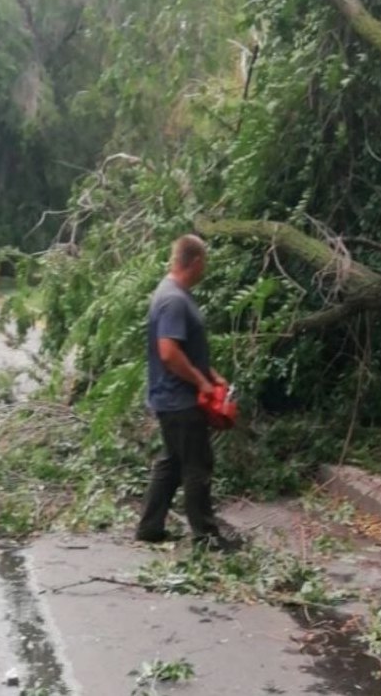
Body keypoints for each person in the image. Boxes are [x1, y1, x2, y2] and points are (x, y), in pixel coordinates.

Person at [135, 234, 236, 550]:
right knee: (197, 464)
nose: (205, 269)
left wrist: (213, 376)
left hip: (173, 396)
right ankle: (206, 536)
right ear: (194, 262)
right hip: (180, 399)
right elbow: (169, 352)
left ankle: (150, 527)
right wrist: (201, 383)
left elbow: (186, 350)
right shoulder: (174, 300)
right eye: (204, 264)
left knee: (174, 462)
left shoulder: (173, 294)